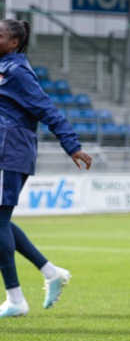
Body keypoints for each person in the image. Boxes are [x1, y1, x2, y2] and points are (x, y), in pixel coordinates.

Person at [0, 18, 92, 318]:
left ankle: (15, 299)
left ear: (14, 42)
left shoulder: (16, 71)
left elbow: (46, 108)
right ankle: (50, 271)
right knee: (1, 221)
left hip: (9, 151)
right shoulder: (5, 69)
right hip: (7, 150)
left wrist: (72, 144)